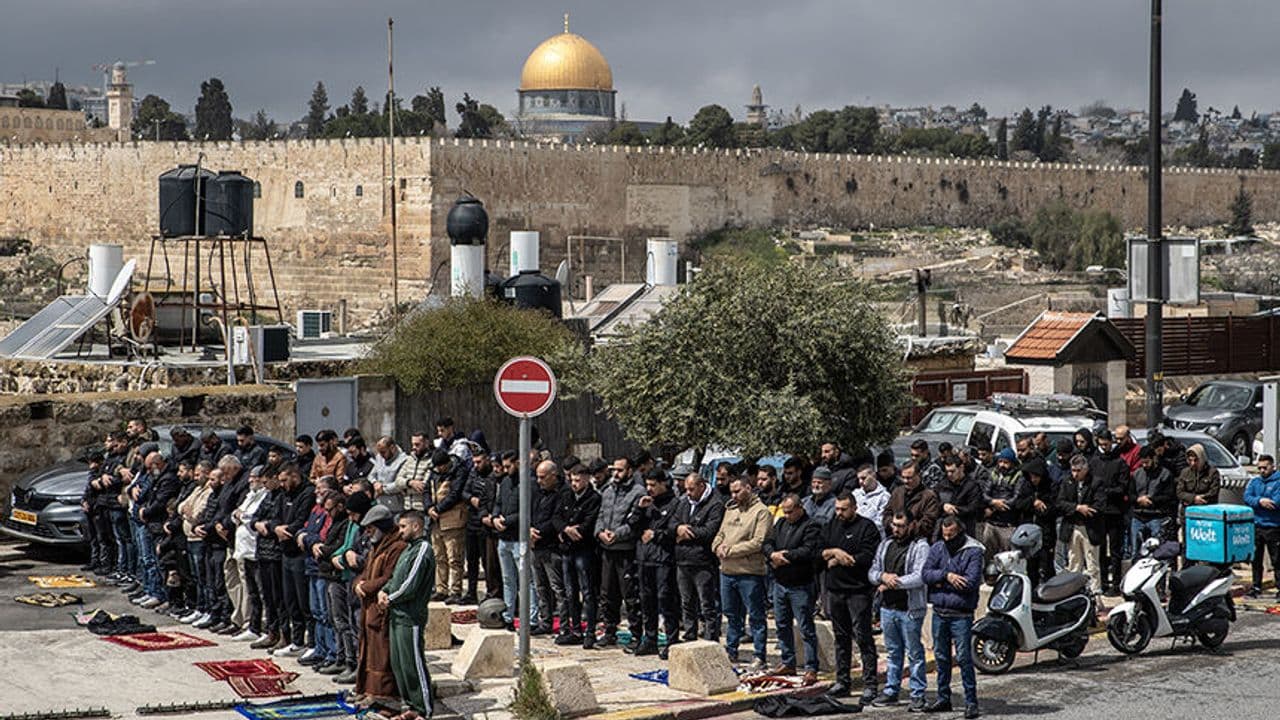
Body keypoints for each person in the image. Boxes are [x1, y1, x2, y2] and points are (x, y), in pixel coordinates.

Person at [821, 492, 882, 703]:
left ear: (854, 507)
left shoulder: (867, 528)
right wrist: (834, 552)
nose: (839, 513)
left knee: (863, 636)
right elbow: (819, 552)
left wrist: (839, 559)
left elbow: (867, 556)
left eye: (843, 509)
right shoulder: (831, 526)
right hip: (835, 590)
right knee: (841, 638)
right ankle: (843, 681)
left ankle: (870, 684)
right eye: (837, 509)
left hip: (858, 591)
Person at [922, 516, 984, 719]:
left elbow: (970, 582)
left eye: (952, 535)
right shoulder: (938, 547)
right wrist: (947, 577)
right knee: (941, 657)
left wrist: (939, 582)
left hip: (961, 615)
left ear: (960, 532)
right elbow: (926, 574)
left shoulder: (973, 551)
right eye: (945, 535)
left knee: (964, 658)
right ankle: (943, 697)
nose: (947, 539)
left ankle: (971, 701)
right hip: (940, 612)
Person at [868, 511, 931, 711]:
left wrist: (894, 582)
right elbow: (872, 572)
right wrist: (882, 577)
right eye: (894, 525)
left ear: (911, 525)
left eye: (901, 526)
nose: (896, 529)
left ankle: (917, 693)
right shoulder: (886, 544)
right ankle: (891, 690)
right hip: (888, 608)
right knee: (893, 652)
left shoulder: (920, 546)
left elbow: (920, 576)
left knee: (914, 653)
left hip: (910, 609)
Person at [379, 510, 437, 720]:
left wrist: (391, 598)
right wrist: (384, 590)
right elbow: (396, 577)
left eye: (404, 526)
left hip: (410, 616)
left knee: (414, 664)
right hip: (397, 614)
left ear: (416, 526)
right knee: (399, 664)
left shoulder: (423, 549)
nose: (400, 530)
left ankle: (424, 710)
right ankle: (410, 706)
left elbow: (410, 585)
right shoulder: (407, 550)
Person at [713, 474, 773, 671]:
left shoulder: (761, 512)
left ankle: (759, 654)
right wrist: (717, 547)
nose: (734, 495)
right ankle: (731, 650)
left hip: (750, 572)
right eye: (732, 491)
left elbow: (758, 542)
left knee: (755, 615)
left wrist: (731, 551)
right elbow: (720, 533)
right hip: (727, 571)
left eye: (738, 491)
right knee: (731, 614)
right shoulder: (730, 509)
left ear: (749, 488)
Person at [763, 494, 822, 685]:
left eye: (790, 511)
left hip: (801, 584)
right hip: (780, 583)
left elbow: (808, 551)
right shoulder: (780, 524)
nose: (787, 515)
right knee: (782, 625)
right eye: (785, 511)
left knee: (805, 627)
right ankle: (788, 661)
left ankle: (811, 667)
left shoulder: (811, 525)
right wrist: (772, 555)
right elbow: (767, 542)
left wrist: (784, 556)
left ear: (799, 508)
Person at [353, 504, 407, 704]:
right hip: (369, 609)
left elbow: (390, 577)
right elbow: (365, 573)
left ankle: (381, 694)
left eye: (371, 528)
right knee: (367, 651)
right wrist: (358, 584)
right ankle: (366, 690)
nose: (368, 532)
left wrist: (366, 587)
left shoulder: (397, 547)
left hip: (382, 609)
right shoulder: (377, 546)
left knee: (381, 654)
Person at [630, 468, 682, 658]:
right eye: (647, 485)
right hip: (645, 558)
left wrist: (656, 535)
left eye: (653, 485)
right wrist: (639, 508)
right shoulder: (646, 504)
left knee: (665, 599)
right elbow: (633, 526)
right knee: (646, 600)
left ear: (663, 484)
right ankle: (650, 639)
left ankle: (672, 640)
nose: (649, 489)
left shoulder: (675, 503)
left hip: (663, 558)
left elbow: (674, 530)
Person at [595, 455, 645, 646]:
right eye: (614, 470)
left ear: (629, 471)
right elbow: (600, 515)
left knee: (630, 595)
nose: (616, 473)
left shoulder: (638, 492)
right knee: (608, 593)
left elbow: (634, 522)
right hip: (607, 550)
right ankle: (609, 631)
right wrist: (600, 532)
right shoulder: (607, 491)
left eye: (620, 470)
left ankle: (635, 634)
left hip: (626, 550)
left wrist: (617, 534)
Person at [673, 470, 724, 643]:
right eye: (686, 489)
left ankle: (711, 638)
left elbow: (710, 531)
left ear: (702, 486)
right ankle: (690, 636)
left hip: (703, 561)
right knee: (687, 603)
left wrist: (688, 531)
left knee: (707, 604)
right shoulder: (684, 502)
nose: (688, 493)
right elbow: (672, 522)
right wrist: (678, 529)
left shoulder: (715, 503)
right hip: (683, 560)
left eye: (692, 489)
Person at [488, 451, 537, 628]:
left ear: (518, 463)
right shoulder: (506, 481)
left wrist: (506, 521)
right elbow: (498, 503)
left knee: (526, 580)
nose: (505, 469)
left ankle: (530, 617)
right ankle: (508, 615)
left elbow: (527, 510)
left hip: (519, 538)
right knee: (508, 580)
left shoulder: (529, 483)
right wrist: (494, 518)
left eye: (509, 466)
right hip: (504, 538)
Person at [556, 464, 602, 647]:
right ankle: (575, 629)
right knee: (570, 592)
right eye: (572, 480)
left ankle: (590, 631)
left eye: (577, 480)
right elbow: (557, 517)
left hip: (584, 550)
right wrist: (565, 529)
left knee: (588, 592)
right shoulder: (566, 495)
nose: (574, 484)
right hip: (568, 549)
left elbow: (589, 523)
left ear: (586, 479)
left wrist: (576, 530)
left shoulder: (594, 498)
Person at [272, 463, 315, 657]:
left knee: (303, 600)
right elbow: (274, 517)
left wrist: (286, 530)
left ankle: (312, 642)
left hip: (299, 554)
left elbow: (301, 520)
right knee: (290, 600)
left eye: (284, 480)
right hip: (285, 551)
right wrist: (276, 529)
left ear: (295, 476)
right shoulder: (283, 495)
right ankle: (297, 641)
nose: (281, 484)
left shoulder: (307, 493)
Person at [426, 449, 469, 604]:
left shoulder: (459, 471)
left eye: (440, 467)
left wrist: (438, 509)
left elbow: (455, 494)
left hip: (453, 519)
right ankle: (441, 589)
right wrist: (429, 507)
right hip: (436, 521)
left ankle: (455, 590)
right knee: (439, 557)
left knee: (454, 558)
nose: (438, 470)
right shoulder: (433, 473)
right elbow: (426, 490)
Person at [530, 460, 567, 636]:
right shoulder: (538, 492)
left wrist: (539, 532)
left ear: (553, 476)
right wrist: (529, 530)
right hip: (536, 545)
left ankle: (565, 625)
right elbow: (531, 512)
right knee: (540, 587)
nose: (539, 481)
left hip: (552, 546)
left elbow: (556, 519)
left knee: (557, 588)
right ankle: (545, 621)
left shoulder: (563, 492)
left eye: (543, 477)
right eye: (538, 477)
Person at [1057, 454, 1103, 593]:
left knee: (1092, 565)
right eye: (1073, 470)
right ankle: (1073, 593)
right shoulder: (1067, 482)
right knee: (1073, 563)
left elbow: (1099, 505)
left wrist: (1086, 509)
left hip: (1089, 528)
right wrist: (1077, 508)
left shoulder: (1096, 482)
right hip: (1073, 526)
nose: (1075, 474)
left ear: (1085, 470)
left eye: (1078, 470)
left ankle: (1095, 595)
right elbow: (1060, 503)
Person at [1093, 430, 1131, 595]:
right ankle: (1102, 582)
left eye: (1106, 444)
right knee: (1100, 549)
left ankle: (1116, 584)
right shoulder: (1094, 462)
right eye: (1101, 445)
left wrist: (1105, 491)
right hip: (1099, 512)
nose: (1104, 447)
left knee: (1115, 550)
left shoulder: (1120, 463)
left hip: (1115, 512)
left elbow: (1122, 488)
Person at [463, 451, 502, 604]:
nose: (476, 465)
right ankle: (471, 593)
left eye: (479, 462)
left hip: (487, 526)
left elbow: (490, 499)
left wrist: (486, 514)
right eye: (475, 462)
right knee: (471, 560)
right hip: (473, 520)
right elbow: (464, 492)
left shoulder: (493, 477)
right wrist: (472, 499)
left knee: (489, 562)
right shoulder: (473, 473)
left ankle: (491, 592)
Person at [980, 449, 1031, 564]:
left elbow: (1016, 498)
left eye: (1006, 462)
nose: (1002, 465)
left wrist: (1000, 505)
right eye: (1000, 462)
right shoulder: (994, 474)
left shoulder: (1019, 476)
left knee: (1008, 559)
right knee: (988, 558)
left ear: (1012, 463)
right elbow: (984, 494)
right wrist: (993, 503)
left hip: (1008, 524)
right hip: (991, 523)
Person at [1243, 454, 1280, 599]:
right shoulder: (1255, 482)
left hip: (1274, 526)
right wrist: (1260, 501)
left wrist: (1264, 503)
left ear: (1272, 466)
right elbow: (1247, 497)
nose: (1262, 470)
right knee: (1255, 559)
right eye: (1260, 468)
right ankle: (1256, 586)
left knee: (1276, 560)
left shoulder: (1277, 482)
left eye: (1265, 467)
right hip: (1257, 525)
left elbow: (1276, 502)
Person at [1129, 447, 1176, 559]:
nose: (1144, 465)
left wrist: (1151, 500)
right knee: (1136, 551)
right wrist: (1138, 500)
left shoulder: (1165, 474)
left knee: (1157, 550)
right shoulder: (1136, 474)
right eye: (1142, 462)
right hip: (1138, 516)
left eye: (1147, 462)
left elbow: (1169, 496)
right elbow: (1130, 494)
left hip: (1156, 516)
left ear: (1153, 459)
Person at [1020, 458, 1058, 584]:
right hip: (1029, 534)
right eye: (1031, 476)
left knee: (1047, 566)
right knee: (1031, 567)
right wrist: (1033, 502)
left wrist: (1040, 506)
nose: (1033, 480)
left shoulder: (1051, 487)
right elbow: (1018, 504)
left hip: (1045, 533)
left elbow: (1052, 509)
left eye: (1036, 476)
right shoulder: (1026, 486)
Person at [883, 461, 941, 542]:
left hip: (916, 541)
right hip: (895, 539)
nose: (906, 481)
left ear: (919, 476)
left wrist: (906, 528)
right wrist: (893, 525)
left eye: (909, 478)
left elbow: (928, 523)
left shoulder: (929, 496)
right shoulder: (897, 492)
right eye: (903, 477)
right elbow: (886, 513)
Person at [935, 456, 983, 540]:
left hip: (964, 529)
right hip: (943, 529)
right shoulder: (942, 484)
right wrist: (943, 506)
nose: (949, 474)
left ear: (961, 468)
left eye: (952, 471)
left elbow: (974, 508)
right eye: (947, 472)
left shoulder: (972, 486)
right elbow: (934, 501)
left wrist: (955, 509)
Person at [1176, 444, 1221, 518]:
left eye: (1196, 460)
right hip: (1188, 513)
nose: (1193, 463)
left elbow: (1214, 492)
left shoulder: (1212, 473)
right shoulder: (1185, 472)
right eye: (1190, 460)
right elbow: (1179, 492)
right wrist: (1193, 498)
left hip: (1206, 512)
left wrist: (1201, 498)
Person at [394, 433, 434, 513]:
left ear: (426, 443)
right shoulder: (409, 460)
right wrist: (410, 483)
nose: (414, 448)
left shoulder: (431, 461)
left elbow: (423, 486)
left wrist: (404, 489)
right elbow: (397, 482)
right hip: (407, 507)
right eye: (413, 444)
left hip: (422, 509)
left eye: (417, 445)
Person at [370, 436, 409, 513]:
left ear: (392, 448)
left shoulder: (404, 460)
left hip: (396, 507)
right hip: (380, 504)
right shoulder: (379, 458)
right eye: (379, 452)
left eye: (383, 452)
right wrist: (375, 482)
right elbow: (371, 475)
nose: (381, 455)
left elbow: (399, 484)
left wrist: (382, 489)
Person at [854, 463, 892, 538]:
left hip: (873, 537)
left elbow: (881, 522)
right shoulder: (855, 494)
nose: (860, 482)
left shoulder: (884, 497)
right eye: (859, 479)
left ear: (874, 476)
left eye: (864, 478)